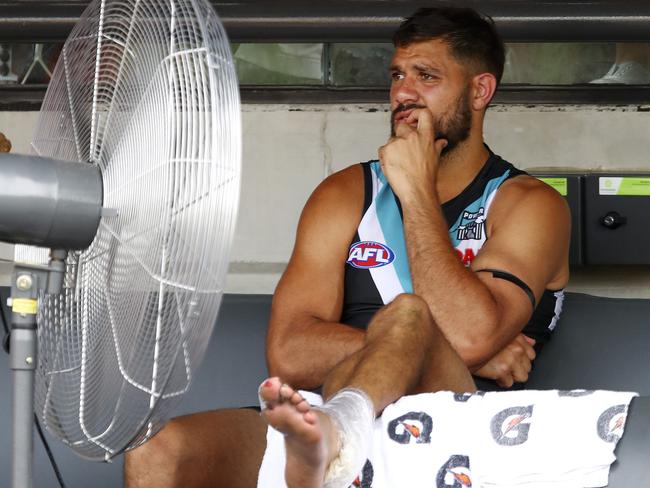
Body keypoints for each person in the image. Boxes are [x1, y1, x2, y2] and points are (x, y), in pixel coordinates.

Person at [124, 7, 570, 488]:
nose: (403, 92)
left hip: (456, 424)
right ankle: (336, 433)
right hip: (320, 411)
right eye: (397, 74)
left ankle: (339, 435)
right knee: (159, 451)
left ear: (480, 91)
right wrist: (419, 352)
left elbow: (464, 336)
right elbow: (288, 356)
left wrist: (417, 192)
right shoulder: (343, 194)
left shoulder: (529, 204)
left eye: (427, 76)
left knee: (409, 316)